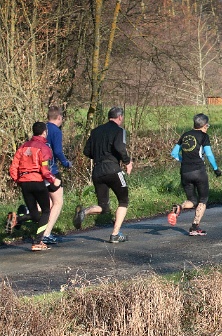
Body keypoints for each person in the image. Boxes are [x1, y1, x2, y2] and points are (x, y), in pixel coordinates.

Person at [73, 106, 133, 243]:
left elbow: (87, 151)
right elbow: (120, 147)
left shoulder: (95, 131)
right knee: (123, 201)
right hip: (113, 169)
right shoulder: (119, 130)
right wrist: (127, 162)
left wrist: (99, 155)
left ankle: (84, 212)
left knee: (104, 207)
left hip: (97, 171)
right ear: (120, 117)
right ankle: (115, 234)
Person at [167, 113, 221, 236]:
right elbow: (209, 154)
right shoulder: (204, 136)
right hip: (199, 171)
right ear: (205, 125)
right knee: (203, 199)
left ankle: (179, 207)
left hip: (185, 172)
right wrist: (216, 168)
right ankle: (195, 227)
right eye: (207, 126)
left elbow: (174, 153)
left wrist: (184, 161)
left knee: (192, 200)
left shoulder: (185, 135)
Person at [10, 122, 61, 251]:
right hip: (37, 182)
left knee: (34, 214)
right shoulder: (44, 148)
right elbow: (45, 170)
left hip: (25, 183)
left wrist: (19, 181)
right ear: (44, 132)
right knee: (46, 211)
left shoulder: (23, 147)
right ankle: (38, 241)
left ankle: (17, 219)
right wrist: (53, 180)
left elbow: (13, 167)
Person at [42, 106, 72, 246]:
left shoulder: (42, 129)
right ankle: (46, 234)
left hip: (39, 170)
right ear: (59, 117)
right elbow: (58, 151)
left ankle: (25, 213)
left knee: (47, 202)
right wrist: (66, 163)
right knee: (58, 202)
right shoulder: (56, 131)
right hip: (51, 170)